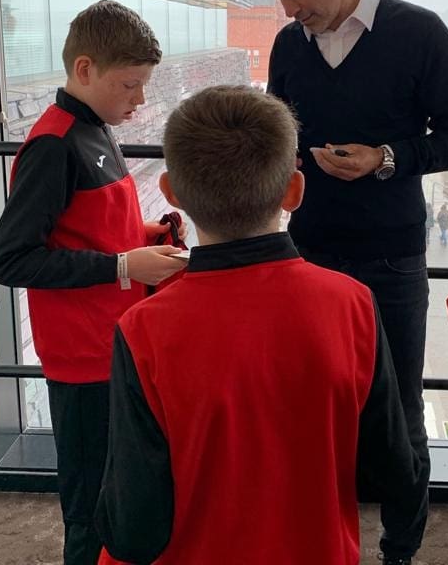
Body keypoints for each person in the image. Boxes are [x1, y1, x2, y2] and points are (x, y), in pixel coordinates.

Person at [94, 85, 425, 565]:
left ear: (171, 193)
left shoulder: (142, 329)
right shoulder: (352, 305)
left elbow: (132, 529)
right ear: (294, 191)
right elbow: (390, 473)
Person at [259, 0, 448, 563]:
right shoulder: (288, 46)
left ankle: (399, 553)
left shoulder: (420, 32)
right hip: (307, 254)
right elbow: (278, 137)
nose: (289, 9)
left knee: (400, 413)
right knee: (311, 408)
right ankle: (322, 543)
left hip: (392, 257)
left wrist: (385, 159)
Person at [0, 1, 186, 565]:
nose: (140, 99)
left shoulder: (96, 128)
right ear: (84, 69)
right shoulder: (54, 145)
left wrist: (145, 237)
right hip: (82, 362)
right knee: (90, 507)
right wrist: (124, 266)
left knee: (120, 492)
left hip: (116, 343)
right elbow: (10, 260)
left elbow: (89, 230)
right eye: (130, 84)